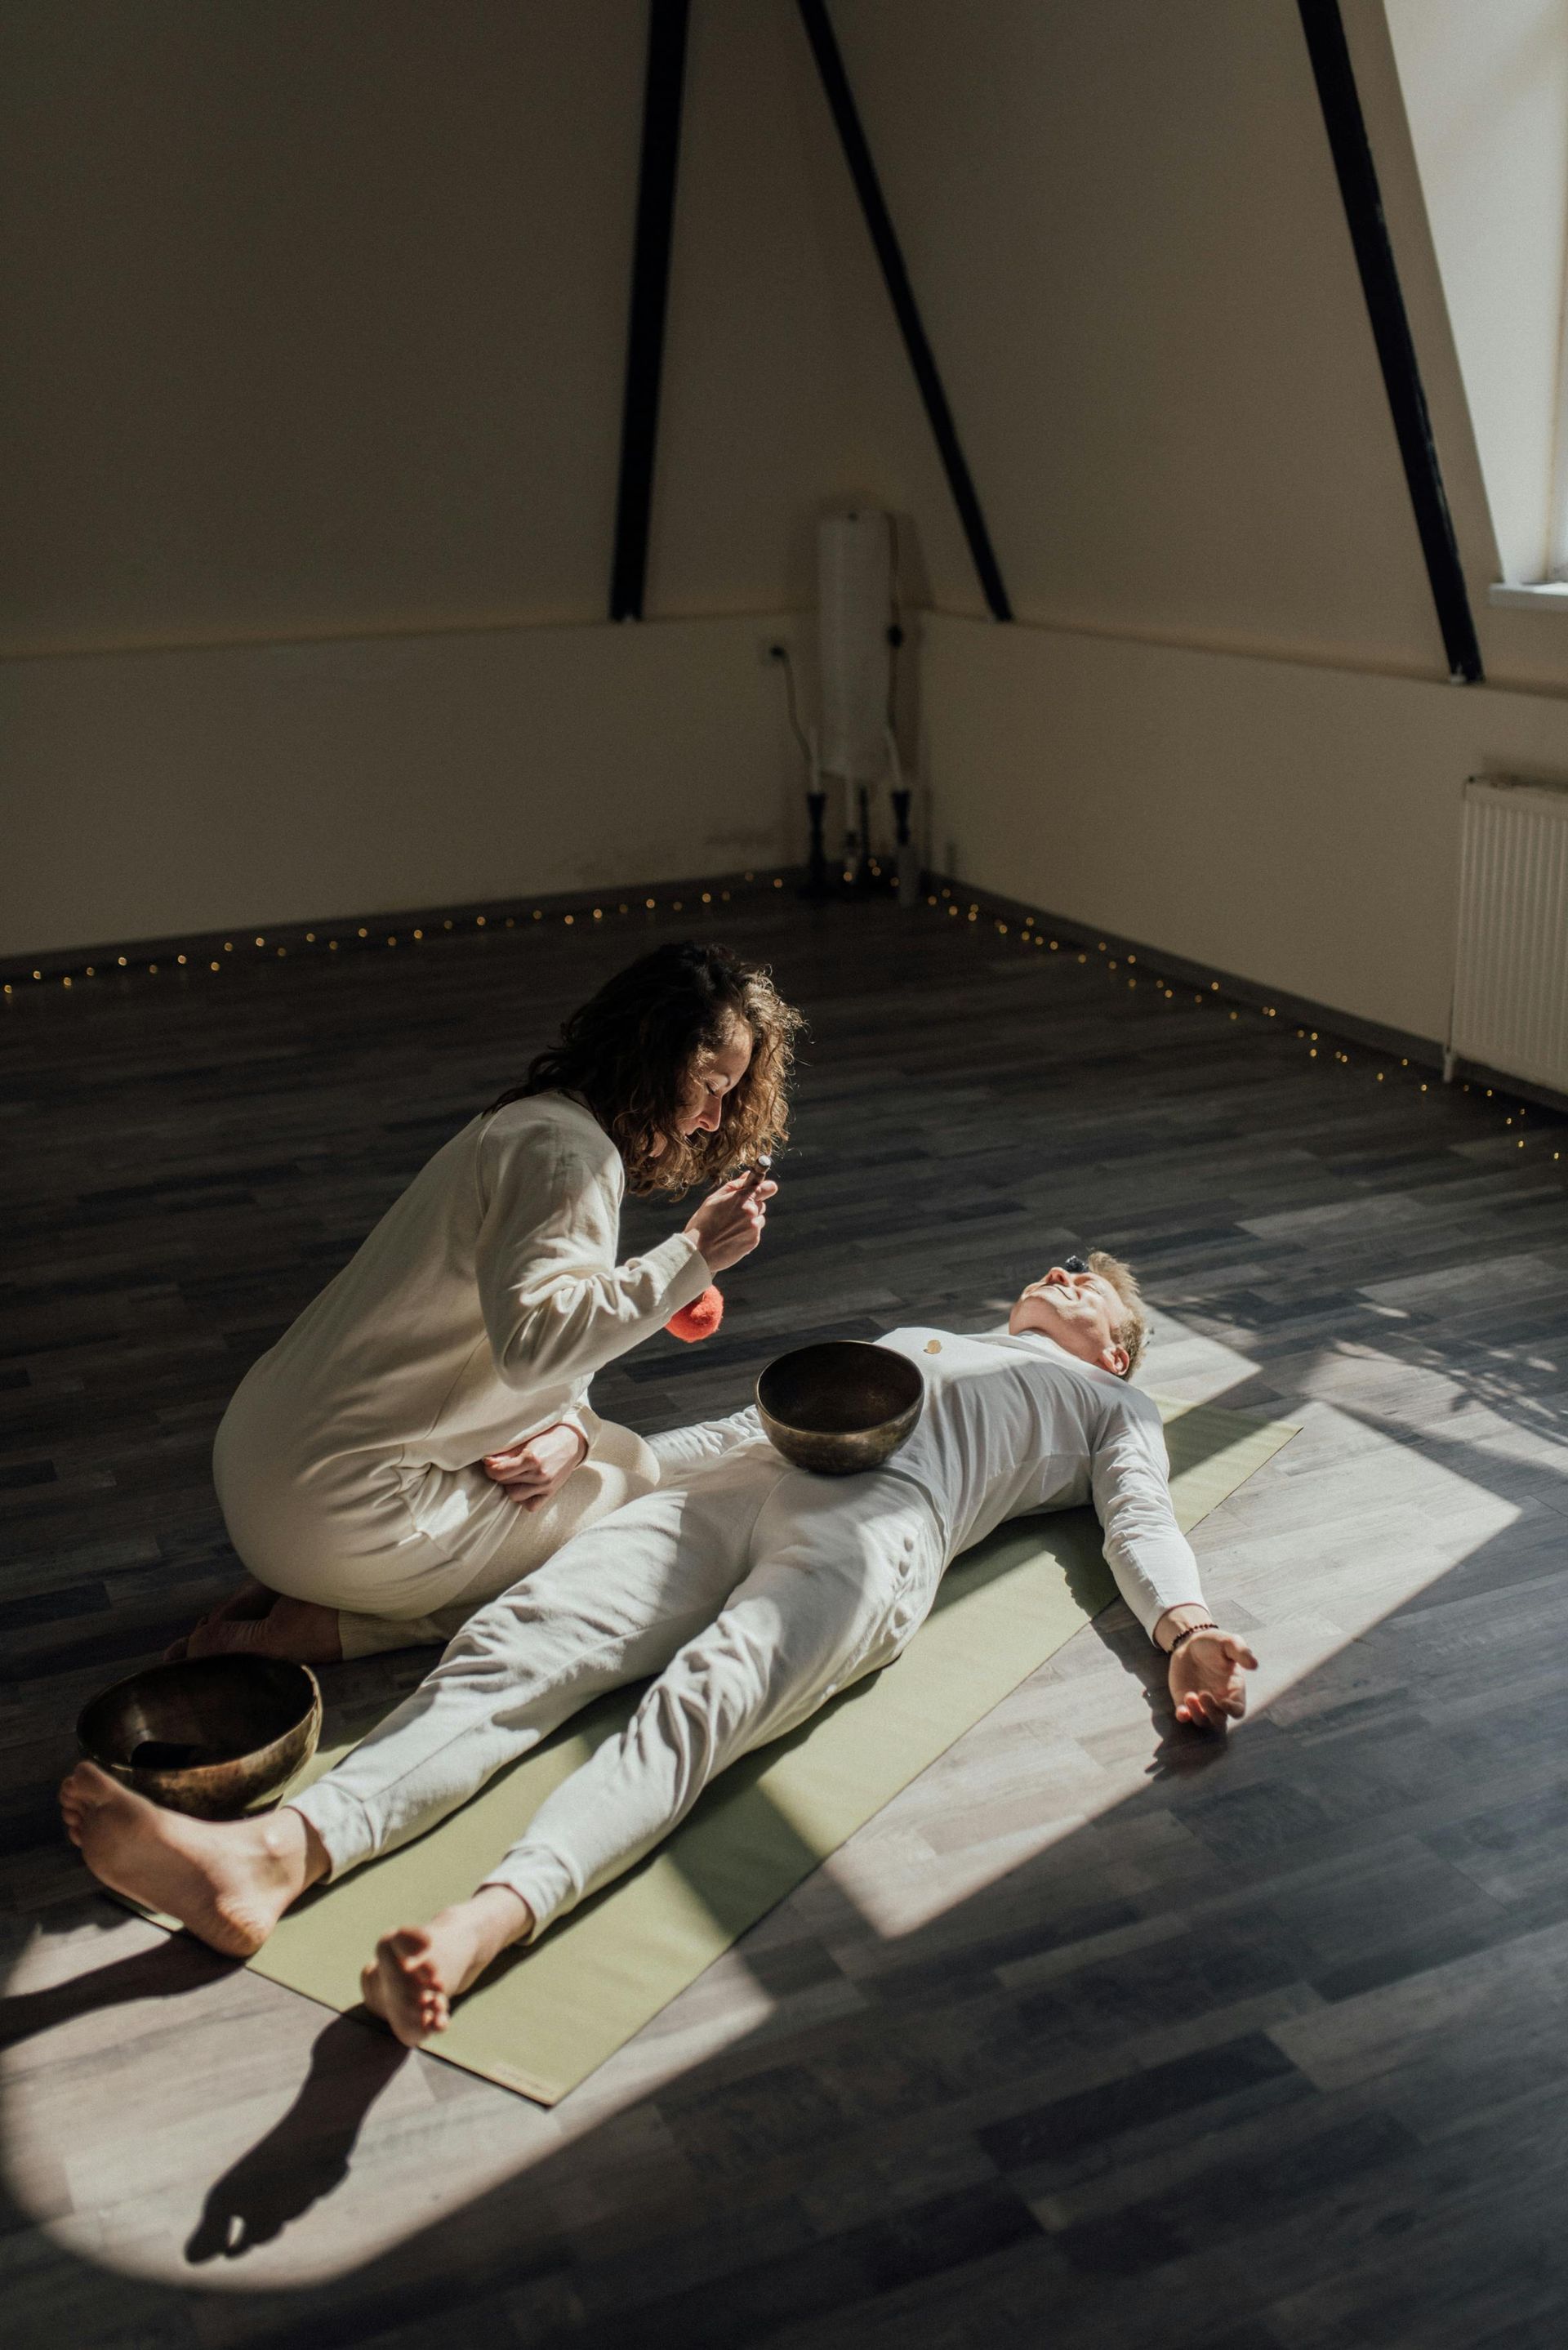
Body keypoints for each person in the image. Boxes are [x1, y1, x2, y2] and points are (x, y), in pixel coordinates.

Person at [62, 1251, 1258, 2045]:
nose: (1064, 1275)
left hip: (882, 1529)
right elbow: (745, 1422)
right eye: (1059, 1267)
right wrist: (590, 1449)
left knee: (702, 1701)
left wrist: (1186, 1629)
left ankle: (481, 1926)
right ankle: (277, 1853)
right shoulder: (926, 1337)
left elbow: (1139, 1519)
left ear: (1117, 1352)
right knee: (515, 1643)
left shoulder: (1112, 1405)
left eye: (1093, 1288)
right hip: (742, 1479)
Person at [172, 941, 800, 1666]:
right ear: (655, 1054)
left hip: (266, 1462)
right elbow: (535, 1345)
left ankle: (310, 1581)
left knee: (611, 1456)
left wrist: (573, 1428)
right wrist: (695, 1253)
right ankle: (328, 1626)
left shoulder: (535, 1123)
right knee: (635, 1504)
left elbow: (519, 1327)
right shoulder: (570, 1158)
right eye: (711, 1085)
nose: (716, 1118)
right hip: (336, 1514)